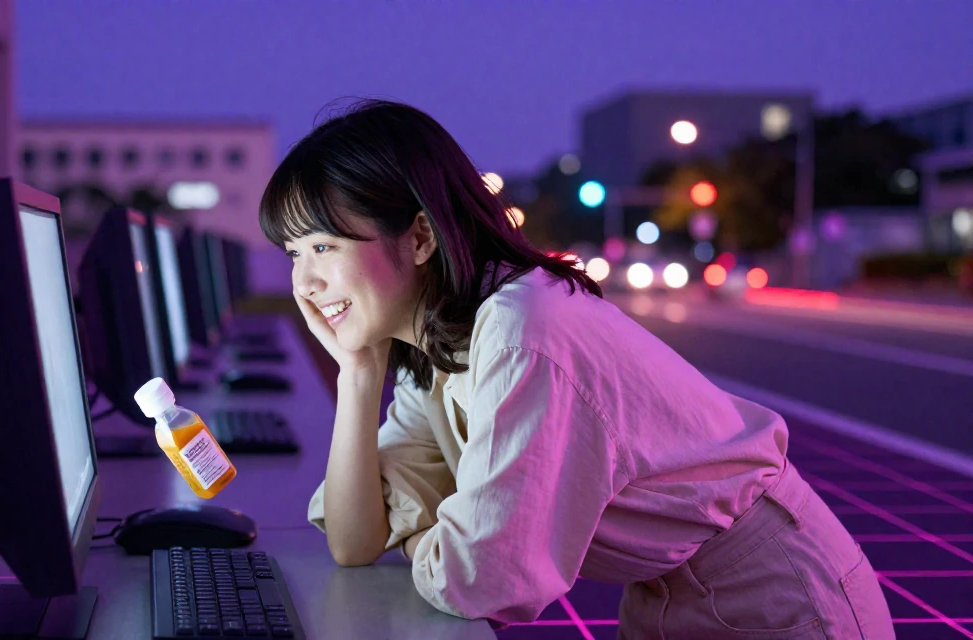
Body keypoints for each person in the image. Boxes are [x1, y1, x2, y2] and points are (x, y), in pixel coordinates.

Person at [258, 99, 895, 639]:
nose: (305, 282)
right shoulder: (434, 342)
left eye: (324, 247)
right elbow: (353, 540)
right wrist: (356, 372)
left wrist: (429, 532)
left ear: (421, 238)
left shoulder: (519, 328)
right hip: (667, 594)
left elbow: (481, 580)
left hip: (775, 594)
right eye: (293, 252)